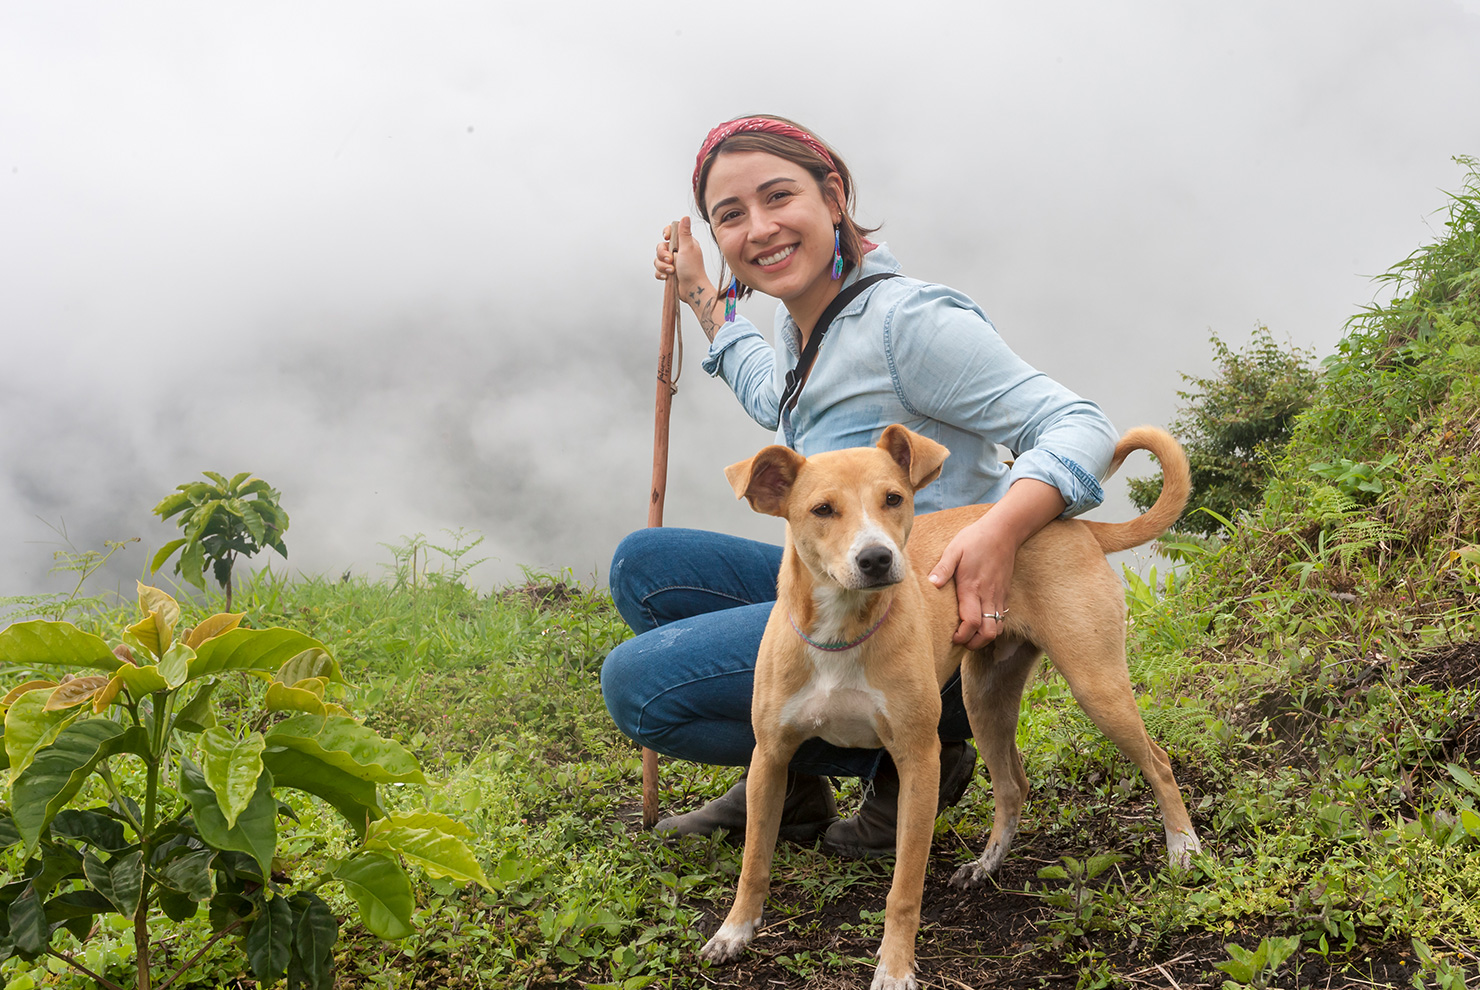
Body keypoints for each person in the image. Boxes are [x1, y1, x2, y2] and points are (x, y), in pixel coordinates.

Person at [600, 115, 1118, 858]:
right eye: (731, 216)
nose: (761, 228)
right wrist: (701, 299)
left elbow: (1078, 424)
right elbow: (771, 395)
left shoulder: (908, 322)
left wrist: (999, 534)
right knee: (643, 567)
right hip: (847, 587)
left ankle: (913, 755)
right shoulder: (802, 326)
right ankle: (793, 781)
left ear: (833, 195)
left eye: (779, 197)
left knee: (639, 687)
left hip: (928, 621)